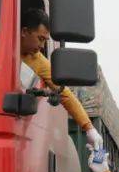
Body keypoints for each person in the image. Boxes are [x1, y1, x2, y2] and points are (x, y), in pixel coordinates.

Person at [20, 8, 102, 148]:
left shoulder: (40, 62)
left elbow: (65, 95)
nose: (41, 46)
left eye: (45, 41)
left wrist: (89, 128)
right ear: (24, 32)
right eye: (40, 39)